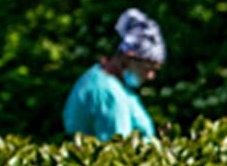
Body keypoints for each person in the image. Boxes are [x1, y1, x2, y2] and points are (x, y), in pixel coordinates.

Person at [63, 8, 165, 141]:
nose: (151, 76)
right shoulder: (107, 91)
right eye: (149, 68)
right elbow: (116, 147)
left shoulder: (113, 83)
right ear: (130, 57)